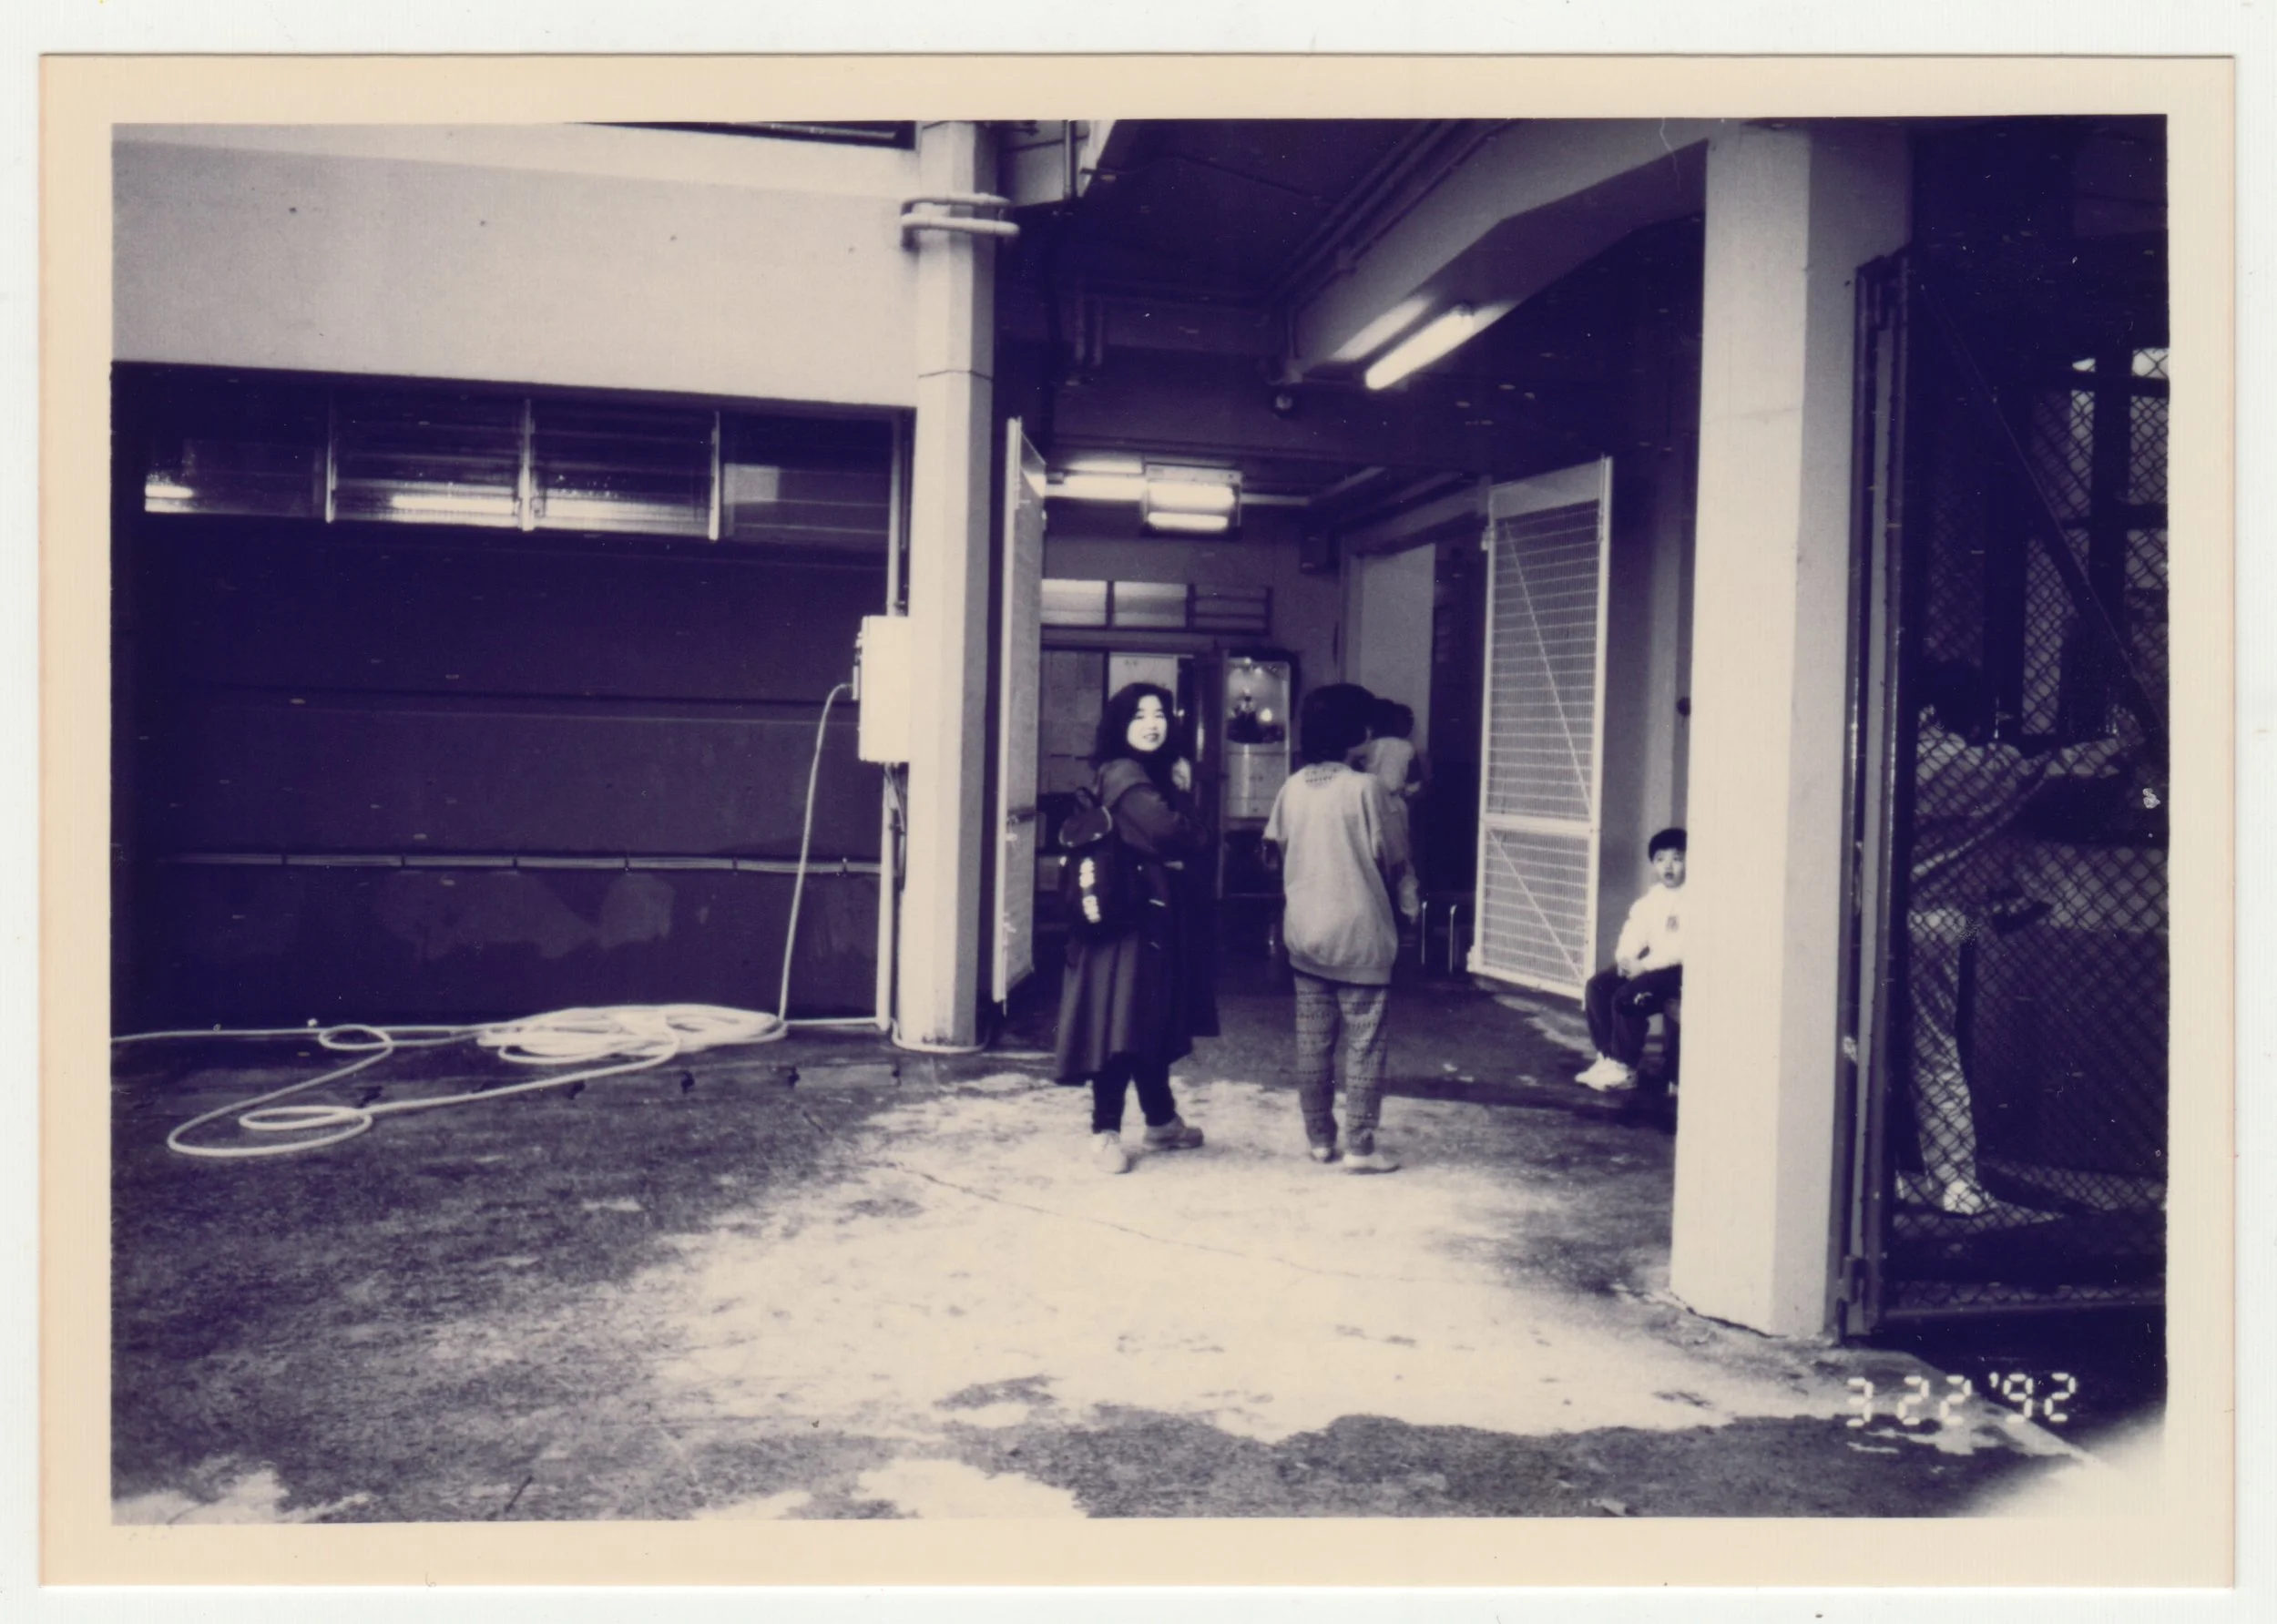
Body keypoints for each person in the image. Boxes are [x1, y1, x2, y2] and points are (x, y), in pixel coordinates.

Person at [1900, 660, 2131, 1216]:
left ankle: (1878, 1171)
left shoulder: (1888, 758)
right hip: (1944, 918)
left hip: (1869, 915)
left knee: (1865, 1042)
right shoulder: (1994, 768)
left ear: (1926, 711)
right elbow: (2073, 768)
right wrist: (2129, 741)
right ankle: (1956, 1181)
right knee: (1934, 1052)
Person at [1054, 683, 1220, 1174]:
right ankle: (1104, 1133)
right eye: (1140, 715)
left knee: (1145, 1016)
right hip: (1127, 921)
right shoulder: (1128, 775)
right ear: (1120, 725)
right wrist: (1190, 811)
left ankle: (1161, 1120)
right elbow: (1172, 832)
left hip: (1143, 916)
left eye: (1161, 714)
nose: (1153, 723)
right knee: (1120, 1022)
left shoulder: (1140, 773)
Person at [1263, 682, 1419, 1172]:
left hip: (1305, 933)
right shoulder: (1367, 789)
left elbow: (1274, 849)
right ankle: (1360, 1146)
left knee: (1313, 1041)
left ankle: (1319, 1139)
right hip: (1360, 937)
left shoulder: (1291, 787)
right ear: (1358, 733)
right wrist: (1410, 902)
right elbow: (1395, 858)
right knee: (1365, 1043)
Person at [1576, 828, 1688, 1094]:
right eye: (1661, 859)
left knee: (1628, 997)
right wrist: (1625, 958)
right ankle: (1610, 1059)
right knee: (1598, 986)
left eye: (1677, 858)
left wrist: (1643, 966)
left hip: (1680, 970)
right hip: (1653, 966)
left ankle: (1625, 1067)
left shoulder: (1696, 897)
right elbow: (1635, 929)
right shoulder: (1654, 897)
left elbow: (1682, 948)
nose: (1668, 866)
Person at [1353, 698, 1425, 921]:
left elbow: (1354, 770)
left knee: (1370, 861)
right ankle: (1409, 912)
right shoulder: (1406, 747)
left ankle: (1373, 915)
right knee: (1402, 863)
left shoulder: (1367, 746)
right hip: (1395, 805)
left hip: (1367, 804)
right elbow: (1415, 782)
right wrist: (1408, 793)